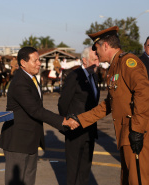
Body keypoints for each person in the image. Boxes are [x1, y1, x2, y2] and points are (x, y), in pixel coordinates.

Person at [71, 26, 149, 185]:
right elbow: (109, 104)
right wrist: (80, 120)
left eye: (96, 47)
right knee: (128, 180)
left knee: (138, 180)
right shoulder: (114, 67)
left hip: (135, 134)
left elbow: (144, 92)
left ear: (105, 45)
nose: (96, 52)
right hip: (126, 135)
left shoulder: (128, 62)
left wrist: (137, 130)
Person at [0, 46, 79, 185]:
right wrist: (63, 121)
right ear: (23, 63)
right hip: (17, 142)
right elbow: (35, 110)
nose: (39, 63)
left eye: (39, 60)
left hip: (30, 140)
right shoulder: (19, 83)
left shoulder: (33, 79)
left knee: (29, 180)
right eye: (35, 60)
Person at [58, 46, 100, 185]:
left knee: (85, 172)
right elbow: (63, 103)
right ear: (84, 60)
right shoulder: (74, 76)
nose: (98, 63)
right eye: (94, 59)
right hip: (75, 132)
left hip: (90, 132)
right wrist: (68, 122)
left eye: (98, 59)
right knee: (73, 173)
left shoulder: (94, 76)